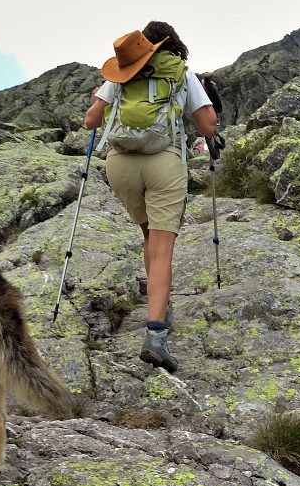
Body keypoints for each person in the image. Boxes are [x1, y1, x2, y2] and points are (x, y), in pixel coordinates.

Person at [84, 21, 220, 373]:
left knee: (148, 234)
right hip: (164, 161)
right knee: (161, 248)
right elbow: (207, 127)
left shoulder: (120, 75)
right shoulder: (181, 74)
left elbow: (91, 121)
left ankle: (161, 305)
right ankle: (156, 334)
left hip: (121, 165)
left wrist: (100, 99)